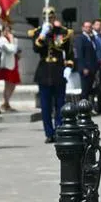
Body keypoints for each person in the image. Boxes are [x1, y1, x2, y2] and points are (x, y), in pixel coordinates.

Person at [30, 9, 73, 143]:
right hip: (44, 72)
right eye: (46, 16)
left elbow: (69, 52)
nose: (48, 18)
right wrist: (42, 34)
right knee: (45, 106)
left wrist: (69, 67)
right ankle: (49, 133)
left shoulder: (62, 32)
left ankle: (59, 131)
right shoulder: (38, 32)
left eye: (51, 16)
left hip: (58, 71)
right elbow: (36, 49)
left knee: (60, 104)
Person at [0, 23, 21, 111]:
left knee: (13, 84)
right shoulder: (1, 40)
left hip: (14, 63)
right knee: (8, 84)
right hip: (7, 64)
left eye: (9, 30)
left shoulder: (14, 39)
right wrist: (11, 40)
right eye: (6, 30)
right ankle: (5, 103)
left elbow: (16, 49)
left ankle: (7, 102)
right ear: (3, 31)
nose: (8, 32)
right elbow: (11, 49)